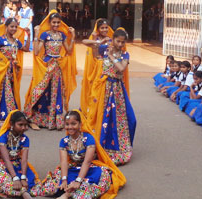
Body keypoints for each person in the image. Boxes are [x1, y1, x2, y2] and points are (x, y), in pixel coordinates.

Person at [30, 110, 126, 199]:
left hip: (91, 168)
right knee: (53, 185)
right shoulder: (64, 142)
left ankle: (67, 194)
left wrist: (78, 181)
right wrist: (64, 180)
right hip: (74, 168)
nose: (70, 127)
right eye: (67, 124)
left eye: (73, 124)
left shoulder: (88, 139)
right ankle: (70, 192)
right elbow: (63, 162)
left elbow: (87, 162)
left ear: (80, 124)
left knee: (100, 179)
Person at [87, 28, 136, 165]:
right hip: (103, 88)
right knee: (102, 117)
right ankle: (100, 148)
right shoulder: (104, 48)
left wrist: (112, 56)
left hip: (117, 89)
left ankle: (120, 149)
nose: (120, 44)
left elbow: (121, 69)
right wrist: (99, 41)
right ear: (113, 39)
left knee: (123, 119)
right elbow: (87, 43)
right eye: (118, 41)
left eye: (122, 42)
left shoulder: (125, 54)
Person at [24, 10, 76, 130]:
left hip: (57, 67)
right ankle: (34, 118)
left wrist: (72, 37)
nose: (56, 25)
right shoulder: (45, 35)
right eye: (54, 22)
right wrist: (36, 34)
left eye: (58, 22)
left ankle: (53, 121)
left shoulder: (62, 35)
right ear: (50, 22)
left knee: (55, 92)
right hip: (47, 65)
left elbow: (68, 50)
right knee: (41, 91)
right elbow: (36, 52)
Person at [0, 18, 30, 131]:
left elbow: (25, 49)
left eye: (15, 27)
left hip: (13, 73)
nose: (14, 29)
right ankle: (0, 121)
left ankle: (11, 120)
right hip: (2, 72)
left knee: (12, 94)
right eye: (11, 26)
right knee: (2, 95)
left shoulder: (16, 41)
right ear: (6, 27)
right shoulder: (0, 40)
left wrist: (28, 36)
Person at [81, 19, 113, 115]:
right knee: (96, 92)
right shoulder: (96, 40)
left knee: (106, 92)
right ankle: (93, 113)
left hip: (108, 69)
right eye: (102, 28)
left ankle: (103, 113)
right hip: (98, 69)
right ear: (98, 29)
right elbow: (94, 54)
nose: (104, 30)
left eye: (106, 27)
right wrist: (99, 41)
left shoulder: (111, 40)